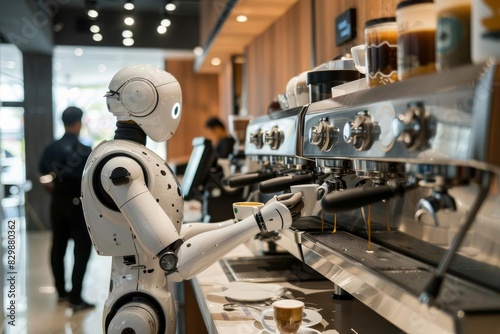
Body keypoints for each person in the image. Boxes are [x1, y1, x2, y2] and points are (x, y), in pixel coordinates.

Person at [38, 106, 94, 311]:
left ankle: (61, 292)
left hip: (58, 202)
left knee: (58, 247)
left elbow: (43, 175)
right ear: (79, 122)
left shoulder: (51, 147)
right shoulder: (85, 148)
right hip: (78, 204)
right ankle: (76, 296)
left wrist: (51, 188)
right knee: (82, 249)